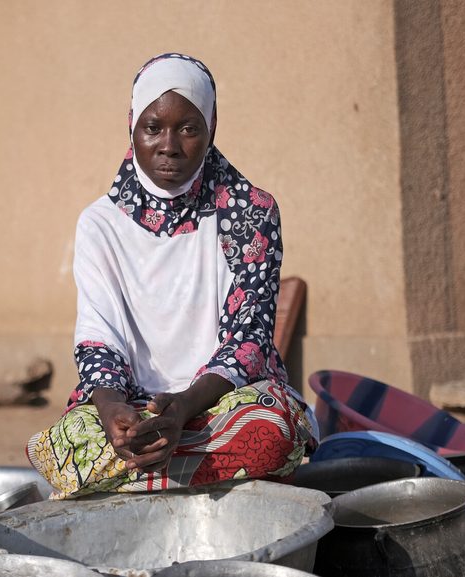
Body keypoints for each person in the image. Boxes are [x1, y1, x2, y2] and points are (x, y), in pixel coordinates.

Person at [27, 53, 319, 500]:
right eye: (153, 128)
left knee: (276, 429)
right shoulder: (100, 223)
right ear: (131, 126)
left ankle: (126, 480)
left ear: (212, 128)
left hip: (219, 403)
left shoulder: (250, 211)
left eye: (188, 128)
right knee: (62, 446)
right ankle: (176, 467)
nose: (169, 145)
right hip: (135, 404)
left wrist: (182, 409)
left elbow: (249, 339)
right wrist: (112, 409)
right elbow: (98, 334)